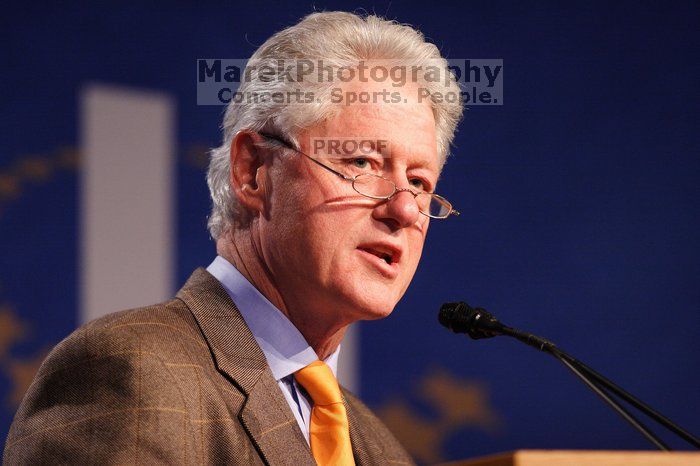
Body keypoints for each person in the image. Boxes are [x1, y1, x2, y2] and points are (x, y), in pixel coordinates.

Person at [4, 11, 463, 465]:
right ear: (254, 172)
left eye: (420, 182)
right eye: (362, 162)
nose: (404, 209)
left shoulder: (380, 448)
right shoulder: (132, 372)